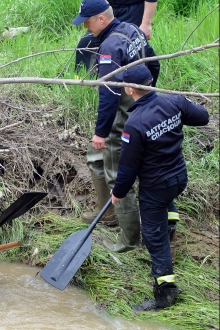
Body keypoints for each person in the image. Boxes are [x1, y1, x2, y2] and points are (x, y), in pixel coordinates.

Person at [110, 64, 209, 310]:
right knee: (166, 201)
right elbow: (203, 116)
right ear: (151, 81)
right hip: (179, 178)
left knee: (154, 238)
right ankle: (171, 224)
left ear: (130, 89)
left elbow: (128, 168)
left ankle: (165, 292)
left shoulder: (134, 124)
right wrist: (177, 111)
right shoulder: (173, 102)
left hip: (155, 187)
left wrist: (118, 193)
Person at [72, 0, 160, 252]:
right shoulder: (133, 31)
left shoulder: (109, 46)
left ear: (101, 18)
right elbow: (154, 63)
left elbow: (109, 94)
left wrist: (101, 132)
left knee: (116, 174)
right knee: (94, 159)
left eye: (88, 22)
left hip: (120, 116)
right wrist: (146, 97)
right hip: (133, 106)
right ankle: (107, 214)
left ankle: (129, 240)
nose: (86, 28)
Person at [75, 0, 158, 74]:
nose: (85, 26)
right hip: (107, 9)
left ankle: (137, 83)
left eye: (86, 23)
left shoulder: (109, 46)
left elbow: (154, 64)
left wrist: (146, 23)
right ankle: (82, 83)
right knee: (85, 44)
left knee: (122, 47)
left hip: (132, 9)